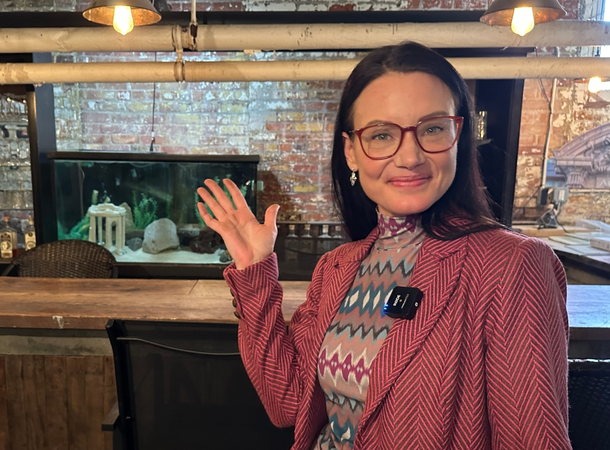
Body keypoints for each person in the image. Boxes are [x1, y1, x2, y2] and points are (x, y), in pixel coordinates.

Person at [196, 42, 570, 450]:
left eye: (432, 128)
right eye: (381, 135)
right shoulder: (336, 267)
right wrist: (255, 274)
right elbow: (287, 404)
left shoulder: (513, 265)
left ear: (458, 137)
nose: (410, 156)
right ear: (351, 153)